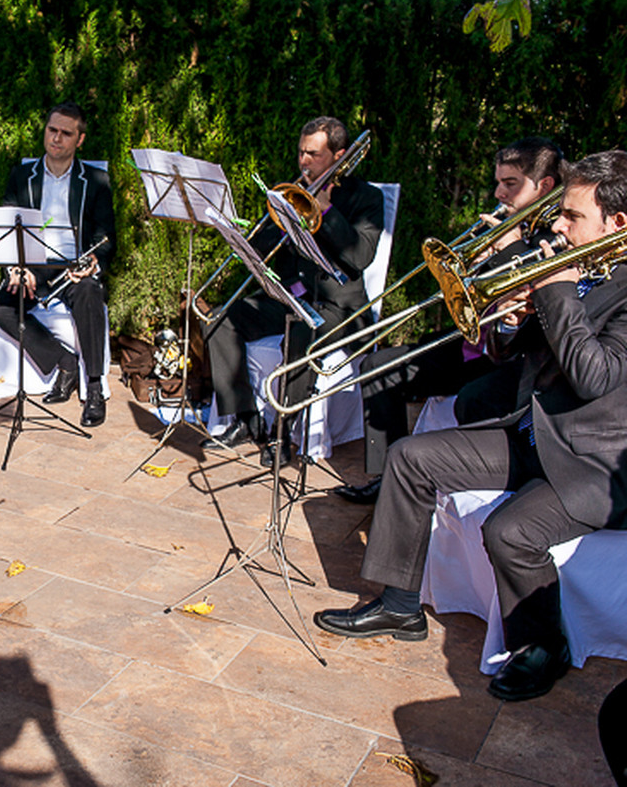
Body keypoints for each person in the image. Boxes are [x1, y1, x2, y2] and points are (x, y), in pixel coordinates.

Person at [314, 150, 627, 702]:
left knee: (508, 533)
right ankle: (398, 606)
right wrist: (512, 319)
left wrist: (552, 290)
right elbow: (526, 352)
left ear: (616, 224)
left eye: (572, 216)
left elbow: (595, 376)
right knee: (411, 459)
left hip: (594, 463)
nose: (557, 223)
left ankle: (542, 646)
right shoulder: (587, 269)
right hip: (537, 431)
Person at [336, 137, 564, 505]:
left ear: (545, 186)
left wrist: (509, 250)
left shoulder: (560, 233)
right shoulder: (503, 224)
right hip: (474, 340)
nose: (499, 193)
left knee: (474, 398)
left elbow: (543, 300)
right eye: (498, 182)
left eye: (510, 184)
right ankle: (385, 479)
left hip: (510, 356)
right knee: (378, 367)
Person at [201, 116, 384, 464]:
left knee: (300, 332)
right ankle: (244, 418)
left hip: (340, 308)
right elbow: (263, 248)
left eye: (313, 154)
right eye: (301, 153)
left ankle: (282, 435)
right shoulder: (291, 191)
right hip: (292, 297)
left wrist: (326, 209)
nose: (303, 161)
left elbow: (360, 256)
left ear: (339, 155)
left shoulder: (367, 198)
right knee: (220, 318)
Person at [0, 101, 117, 427]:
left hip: (75, 266)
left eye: (65, 133)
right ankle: (64, 360)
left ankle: (93, 388)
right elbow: (6, 227)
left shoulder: (96, 180)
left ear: (80, 140)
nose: (56, 139)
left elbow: (107, 237)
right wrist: (14, 267)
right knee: (2, 310)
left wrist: (92, 262)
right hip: (33, 264)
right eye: (52, 130)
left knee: (90, 295)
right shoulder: (22, 175)